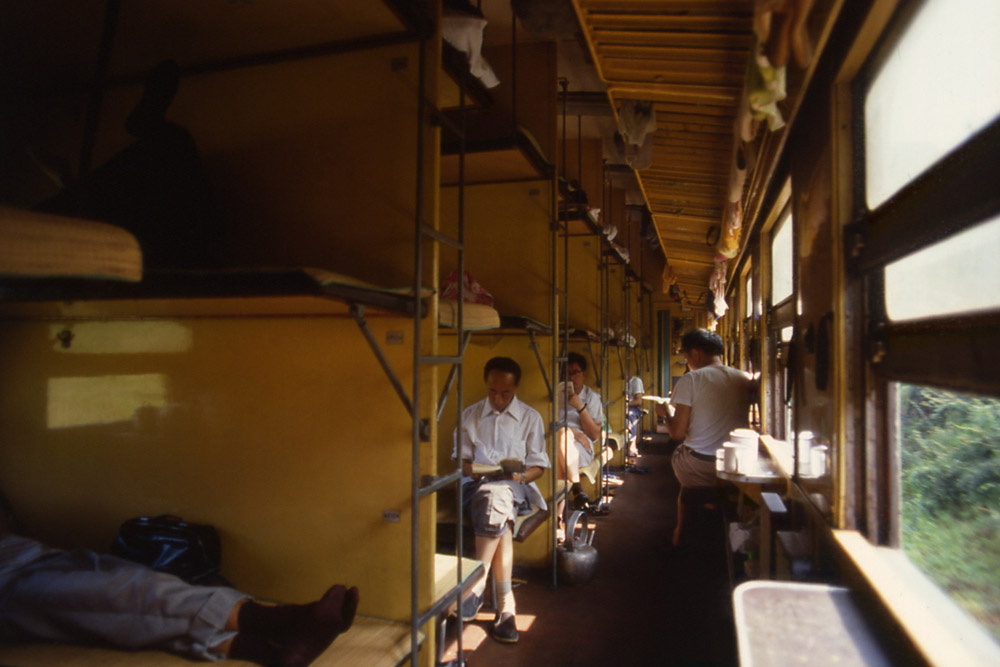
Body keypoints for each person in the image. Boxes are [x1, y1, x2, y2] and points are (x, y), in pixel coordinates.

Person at [0, 495, 358, 666]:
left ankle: (269, 651)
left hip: (30, 554)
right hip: (7, 581)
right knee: (113, 595)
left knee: (130, 574)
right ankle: (276, 621)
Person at [454, 356, 549, 644]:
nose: (498, 398)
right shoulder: (470, 415)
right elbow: (461, 462)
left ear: (516, 387)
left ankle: (475, 586)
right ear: (487, 386)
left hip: (514, 488)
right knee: (496, 505)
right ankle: (506, 605)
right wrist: (471, 469)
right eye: (492, 391)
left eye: (505, 392)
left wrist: (517, 476)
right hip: (475, 487)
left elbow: (538, 467)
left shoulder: (530, 418)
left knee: (498, 495)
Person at [656, 328, 753, 546]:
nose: (687, 362)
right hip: (736, 465)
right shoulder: (744, 377)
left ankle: (680, 531)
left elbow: (677, 433)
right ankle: (713, 506)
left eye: (686, 357)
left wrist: (665, 415)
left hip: (701, 466)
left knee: (681, 454)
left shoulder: (692, 379)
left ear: (696, 354)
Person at [555, 352, 604, 523]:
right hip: (558, 442)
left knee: (562, 444)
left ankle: (559, 515)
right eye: (567, 374)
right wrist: (573, 432)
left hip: (582, 447)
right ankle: (575, 490)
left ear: (583, 373)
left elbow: (594, 434)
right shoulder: (553, 396)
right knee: (562, 438)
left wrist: (580, 407)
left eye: (575, 372)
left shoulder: (591, 398)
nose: (571, 378)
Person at [625, 375, 645, 458]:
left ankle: (632, 445)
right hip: (619, 407)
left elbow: (639, 401)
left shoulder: (635, 381)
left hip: (633, 407)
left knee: (630, 415)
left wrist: (626, 405)